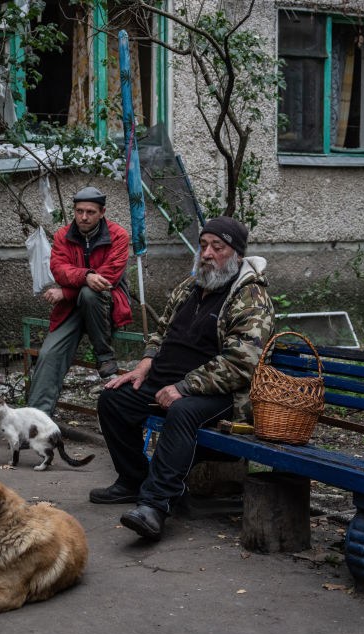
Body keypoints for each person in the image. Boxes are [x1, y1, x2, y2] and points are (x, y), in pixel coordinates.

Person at [90, 217, 274, 541]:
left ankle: (154, 505)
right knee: (113, 400)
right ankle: (133, 480)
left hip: (217, 395)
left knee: (182, 412)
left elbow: (243, 361)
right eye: (203, 245)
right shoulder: (190, 287)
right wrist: (144, 364)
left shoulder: (250, 295)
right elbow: (160, 332)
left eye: (217, 247)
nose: (207, 253)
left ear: (237, 255)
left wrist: (184, 387)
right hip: (164, 382)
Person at [27, 186, 132, 416]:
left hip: (107, 304)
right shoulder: (63, 236)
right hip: (71, 310)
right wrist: (85, 276)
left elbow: (108, 278)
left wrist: (66, 292)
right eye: (79, 211)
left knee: (90, 293)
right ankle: (35, 422)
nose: (84, 217)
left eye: (90, 212)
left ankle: (105, 357)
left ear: (102, 212)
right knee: (48, 354)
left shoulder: (119, 236)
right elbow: (59, 270)